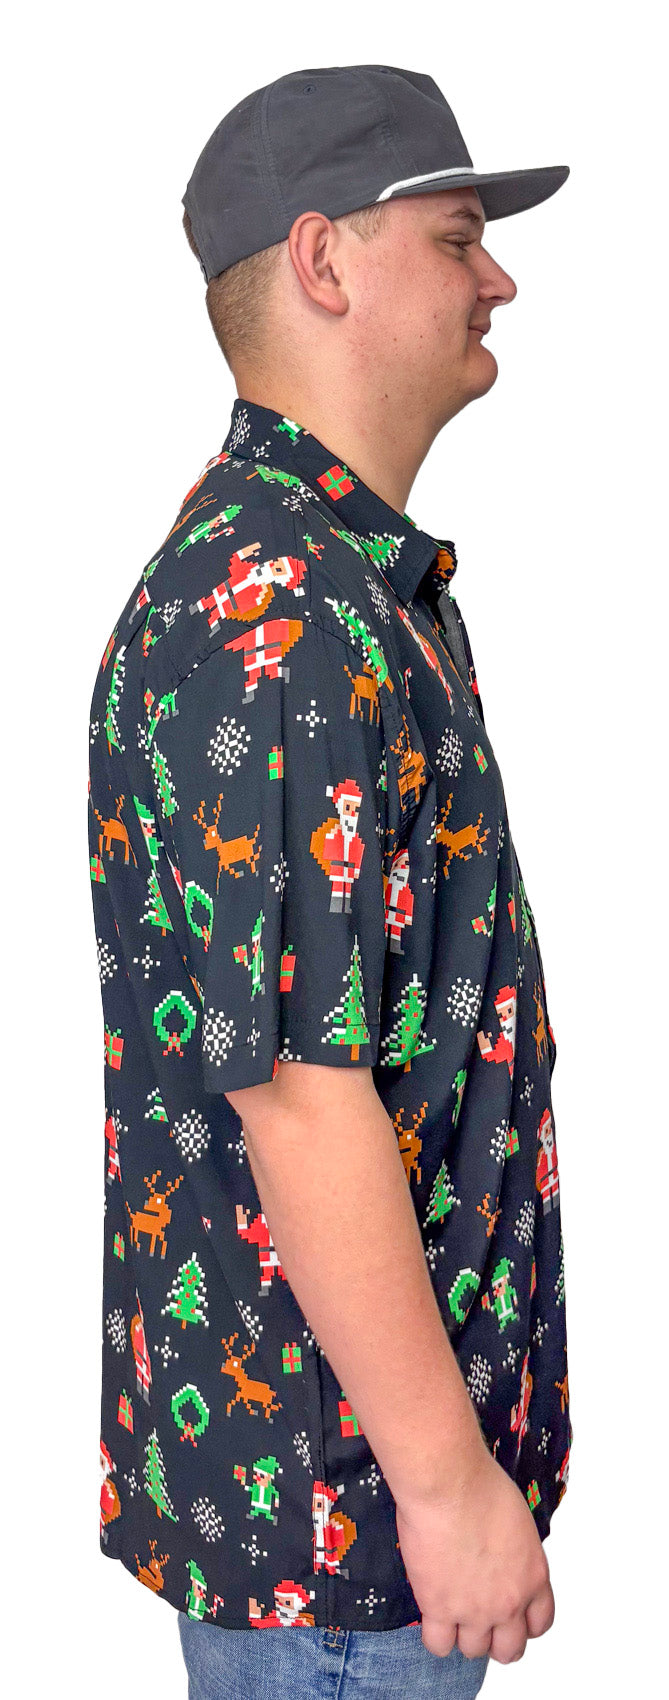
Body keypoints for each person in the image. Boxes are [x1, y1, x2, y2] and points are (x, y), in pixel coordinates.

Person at [88, 63, 572, 1700]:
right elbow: (298, 1090)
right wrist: (442, 1488)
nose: (496, 277)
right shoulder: (281, 609)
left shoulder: (335, 585)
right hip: (344, 1535)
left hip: (342, 1522)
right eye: (456, 236)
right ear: (323, 260)